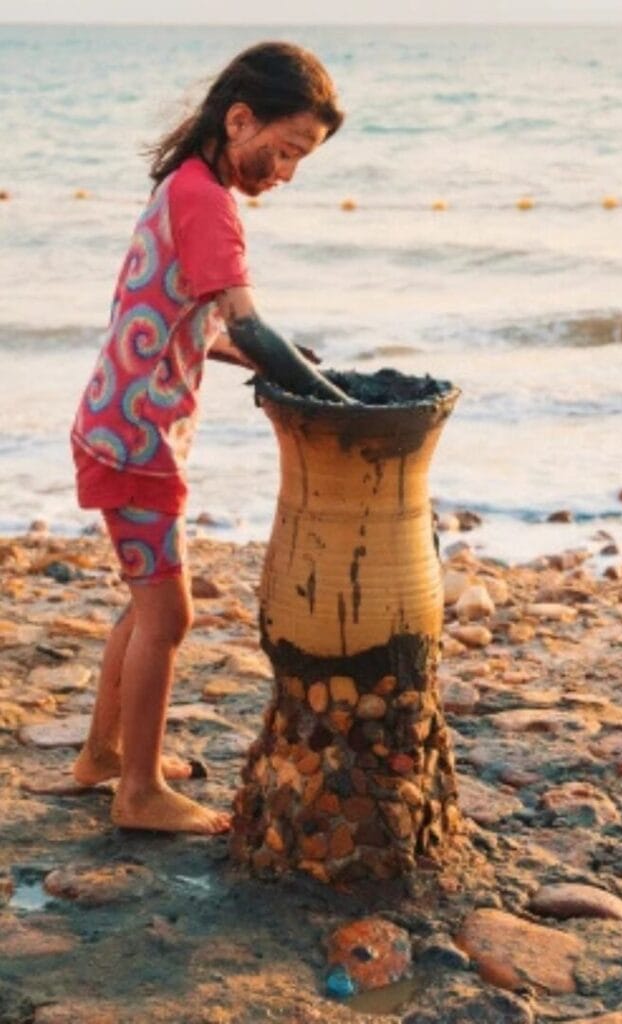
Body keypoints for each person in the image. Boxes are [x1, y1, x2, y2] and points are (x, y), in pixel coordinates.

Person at [69, 41, 349, 835]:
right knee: (169, 620)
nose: (287, 173)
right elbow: (247, 318)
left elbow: (168, 312)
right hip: (136, 444)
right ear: (240, 120)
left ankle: (103, 756)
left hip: (113, 423)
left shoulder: (182, 185)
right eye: (286, 150)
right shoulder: (209, 203)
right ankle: (141, 793)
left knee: (142, 605)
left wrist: (221, 351)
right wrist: (326, 396)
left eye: (302, 161)